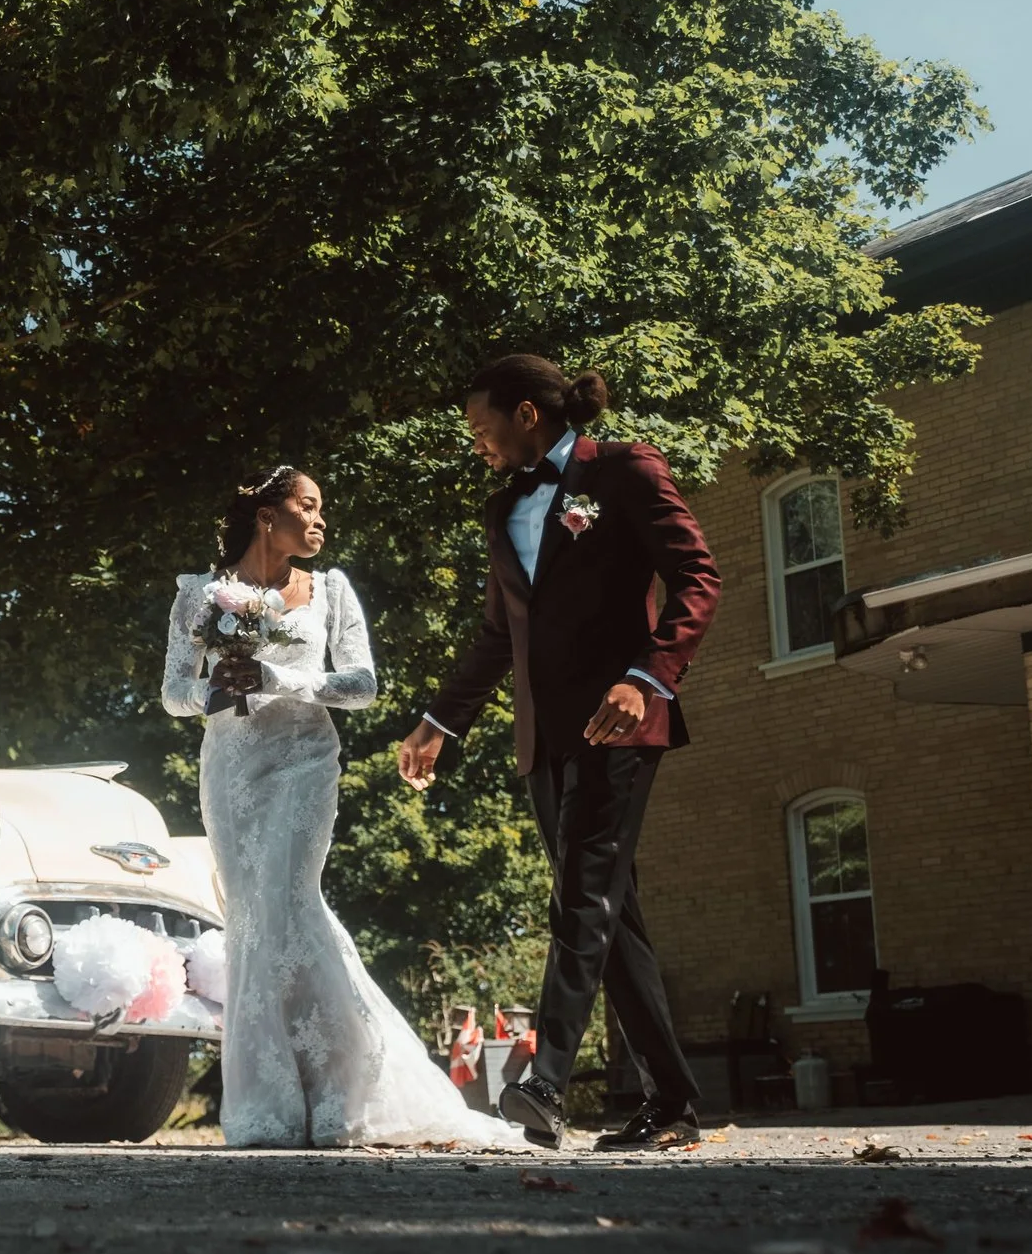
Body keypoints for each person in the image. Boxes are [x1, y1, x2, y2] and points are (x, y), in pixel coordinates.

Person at [396, 356, 720, 1152]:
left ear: (529, 413)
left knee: (581, 897)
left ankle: (545, 1084)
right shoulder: (503, 506)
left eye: (483, 426)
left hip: (620, 723)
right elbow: (498, 633)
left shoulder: (624, 470)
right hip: (544, 740)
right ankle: (672, 1101)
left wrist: (646, 677)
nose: (477, 443)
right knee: (610, 916)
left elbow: (698, 578)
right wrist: (442, 718)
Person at [164, 465, 521, 1148]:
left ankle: (340, 1089)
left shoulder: (330, 589)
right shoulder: (198, 594)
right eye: (309, 506)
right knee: (252, 919)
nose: (321, 519)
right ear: (269, 515)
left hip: (303, 762)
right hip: (233, 768)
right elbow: (174, 692)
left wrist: (277, 677)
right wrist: (220, 690)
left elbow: (361, 684)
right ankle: (267, 1102)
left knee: (290, 898)